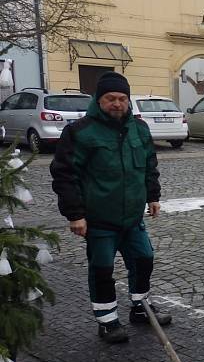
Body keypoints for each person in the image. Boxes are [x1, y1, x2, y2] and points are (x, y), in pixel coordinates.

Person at [51, 71, 171, 344]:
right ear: (99, 99)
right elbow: (64, 174)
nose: (117, 104)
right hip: (98, 220)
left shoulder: (139, 129)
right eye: (110, 98)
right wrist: (75, 214)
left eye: (122, 99)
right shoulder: (80, 132)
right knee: (103, 268)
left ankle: (141, 308)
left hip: (132, 218)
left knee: (144, 260)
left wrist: (153, 196)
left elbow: (149, 165)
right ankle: (107, 321)